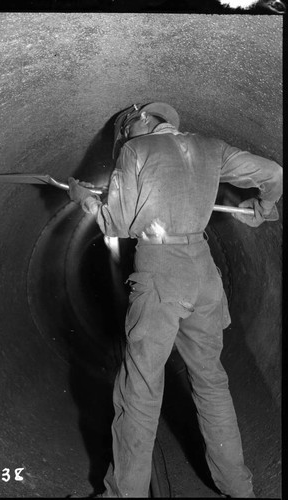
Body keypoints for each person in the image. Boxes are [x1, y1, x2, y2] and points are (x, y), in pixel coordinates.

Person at [67, 102, 282, 498]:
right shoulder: (210, 146)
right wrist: (263, 209)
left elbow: (116, 223)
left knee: (141, 387)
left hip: (161, 271)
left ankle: (124, 494)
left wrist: (84, 197)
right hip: (203, 273)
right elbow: (273, 174)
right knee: (212, 382)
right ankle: (240, 489)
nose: (125, 141)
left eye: (126, 131)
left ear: (141, 122)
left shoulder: (135, 152)